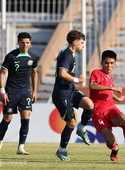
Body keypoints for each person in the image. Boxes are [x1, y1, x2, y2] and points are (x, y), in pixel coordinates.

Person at [89, 50, 125, 162]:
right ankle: (115, 148)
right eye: (106, 63)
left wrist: (117, 98)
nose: (109, 65)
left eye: (112, 63)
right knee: (111, 141)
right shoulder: (96, 73)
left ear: (115, 64)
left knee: (124, 120)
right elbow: (93, 86)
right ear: (102, 63)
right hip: (98, 113)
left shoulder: (110, 78)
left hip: (111, 109)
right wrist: (111, 88)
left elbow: (108, 92)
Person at [52, 30, 94, 161]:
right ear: (74, 42)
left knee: (90, 105)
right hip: (61, 94)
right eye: (81, 43)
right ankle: (62, 150)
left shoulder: (69, 53)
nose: (83, 45)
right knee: (71, 123)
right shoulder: (67, 55)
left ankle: (82, 130)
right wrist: (78, 80)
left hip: (70, 90)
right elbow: (62, 73)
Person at [0, 32, 39, 155]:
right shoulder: (11, 56)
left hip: (25, 92)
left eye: (27, 42)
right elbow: (1, 74)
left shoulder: (33, 57)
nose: (25, 45)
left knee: (26, 117)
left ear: (30, 43)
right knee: (7, 119)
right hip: (11, 92)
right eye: (22, 42)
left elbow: (34, 74)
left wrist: (34, 91)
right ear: (18, 42)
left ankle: (21, 147)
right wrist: (3, 91)